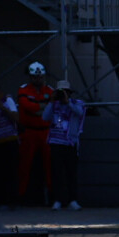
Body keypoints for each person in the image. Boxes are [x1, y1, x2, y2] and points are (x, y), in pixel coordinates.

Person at [15, 62, 56, 205]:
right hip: (29, 132)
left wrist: (37, 110)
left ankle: (52, 196)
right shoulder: (24, 89)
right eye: (34, 77)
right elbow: (26, 106)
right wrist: (42, 108)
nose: (37, 79)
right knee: (24, 165)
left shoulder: (50, 90)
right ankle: (21, 196)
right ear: (30, 77)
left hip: (45, 132)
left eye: (40, 77)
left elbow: (53, 107)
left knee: (49, 165)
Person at [44, 79, 87, 210]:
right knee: (57, 172)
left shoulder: (76, 103)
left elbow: (80, 113)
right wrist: (52, 102)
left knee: (71, 173)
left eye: (66, 92)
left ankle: (72, 200)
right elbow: (45, 117)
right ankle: (58, 200)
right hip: (56, 142)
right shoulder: (54, 104)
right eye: (61, 93)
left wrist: (68, 102)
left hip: (70, 142)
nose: (63, 95)